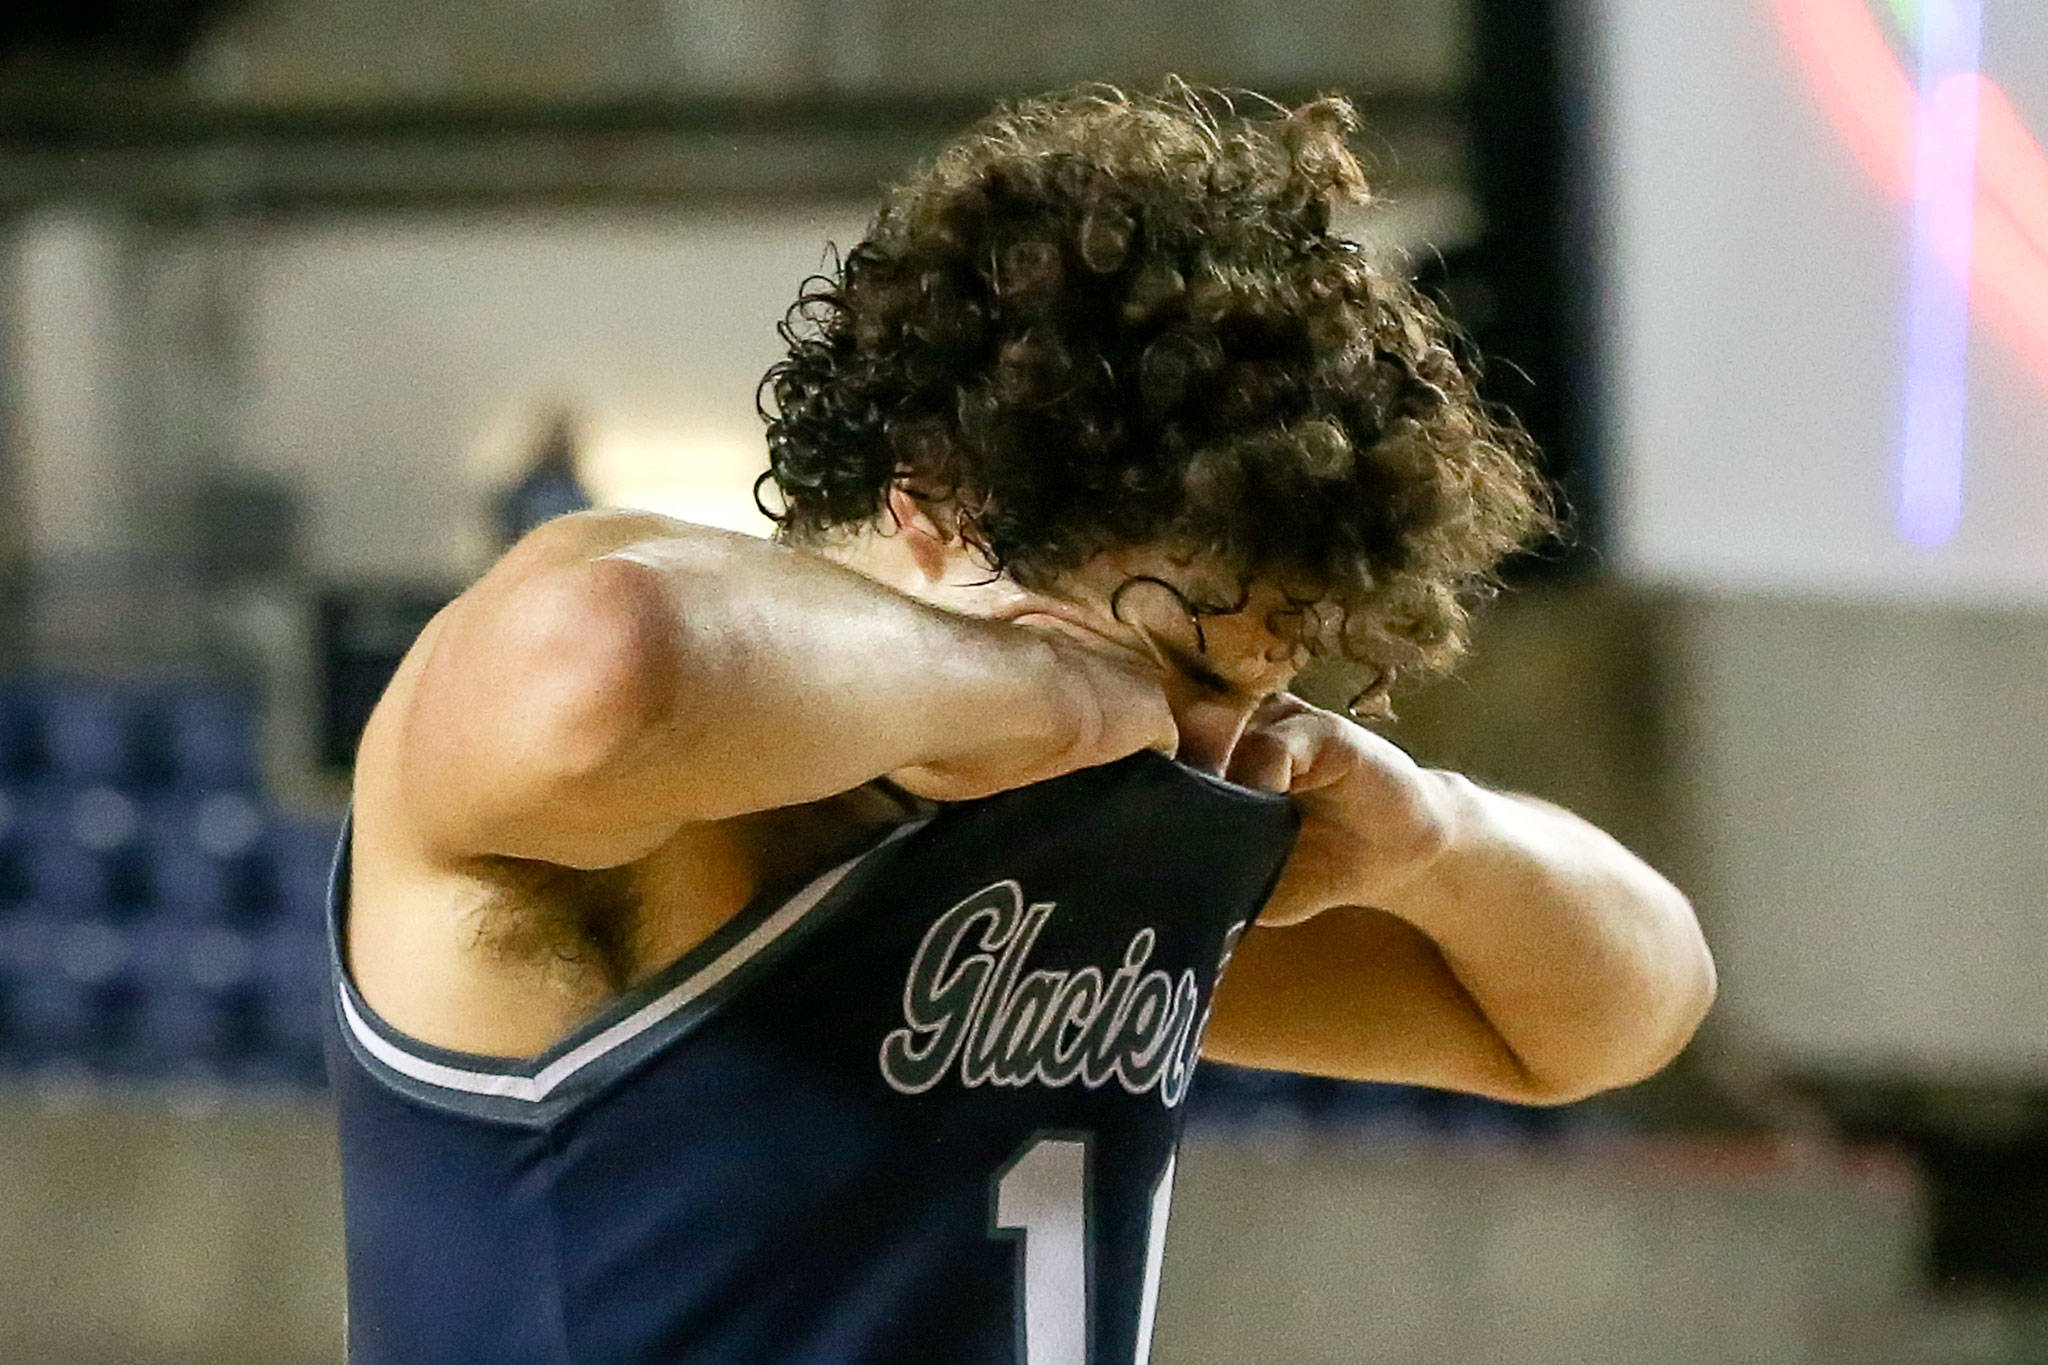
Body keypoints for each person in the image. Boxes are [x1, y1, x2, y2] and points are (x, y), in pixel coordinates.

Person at [325, 83, 1716, 1363]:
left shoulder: (1116, 826)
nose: (1203, 749)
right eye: (1165, 660)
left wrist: (1436, 842)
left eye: (1253, 690)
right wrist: (1041, 694)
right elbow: (601, 672)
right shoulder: (650, 770)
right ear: (937, 500)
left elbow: (1624, 1011)